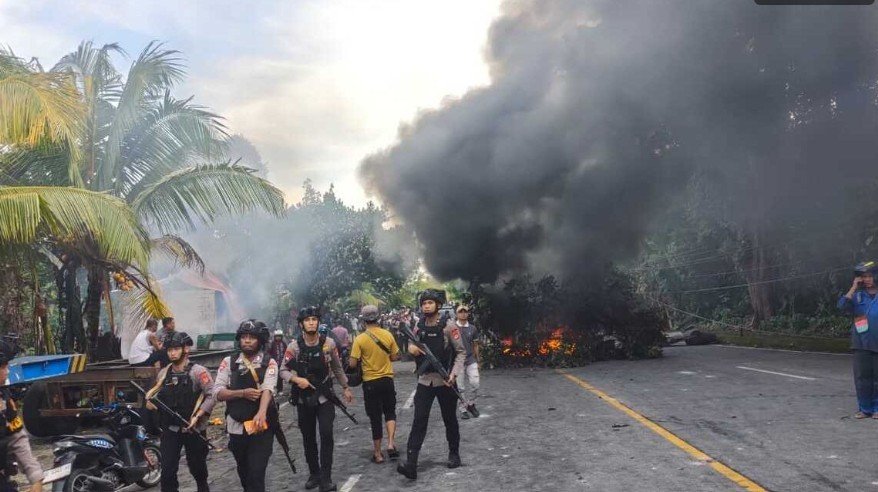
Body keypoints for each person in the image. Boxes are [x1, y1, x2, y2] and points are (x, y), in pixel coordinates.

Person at [281, 306, 353, 492]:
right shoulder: (293, 347)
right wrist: (297, 379)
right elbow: (283, 370)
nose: (311, 322)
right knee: (308, 438)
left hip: (325, 397)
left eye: (314, 319)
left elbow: (337, 367)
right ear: (301, 324)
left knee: (326, 434)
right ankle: (314, 474)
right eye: (308, 320)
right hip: (304, 399)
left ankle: (326, 478)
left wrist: (345, 387)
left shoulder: (328, 343)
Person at [397, 289, 466, 480]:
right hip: (424, 381)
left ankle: (454, 454)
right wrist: (412, 349)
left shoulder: (449, 326)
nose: (426, 306)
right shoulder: (418, 326)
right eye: (424, 303)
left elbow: (461, 353)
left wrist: (453, 374)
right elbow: (413, 346)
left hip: (445, 381)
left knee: (449, 419)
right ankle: (411, 464)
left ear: (437, 305)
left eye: (430, 303)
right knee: (419, 421)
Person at [146, 332, 215, 492]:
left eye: (176, 349)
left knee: (198, 469)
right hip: (171, 430)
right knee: (168, 473)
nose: (172, 353)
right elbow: (153, 398)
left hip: (194, 429)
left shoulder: (198, 371)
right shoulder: (164, 373)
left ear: (185, 349)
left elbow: (212, 394)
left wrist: (197, 417)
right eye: (169, 349)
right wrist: (151, 403)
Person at [215, 320, 278, 492]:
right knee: (244, 472)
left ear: (260, 340)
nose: (247, 341)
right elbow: (218, 392)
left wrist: (262, 412)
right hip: (236, 426)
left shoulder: (269, 363)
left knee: (256, 473)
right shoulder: (229, 362)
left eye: (252, 337)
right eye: (244, 337)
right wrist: (242, 393)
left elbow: (268, 389)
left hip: (261, 427)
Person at [349, 305, 400, 464]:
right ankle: (391, 444)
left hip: (370, 382)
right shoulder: (388, 335)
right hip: (387, 380)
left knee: (375, 418)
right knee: (390, 412)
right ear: (378, 318)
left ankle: (378, 454)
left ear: (363, 320)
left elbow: (352, 364)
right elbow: (394, 357)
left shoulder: (360, 339)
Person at [0, 340, 42, 492]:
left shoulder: (4, 401)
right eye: (4, 367)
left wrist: (35, 476)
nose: (8, 371)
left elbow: (17, 438)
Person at [838, 261, 878, 418]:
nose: (867, 279)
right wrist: (853, 287)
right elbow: (842, 307)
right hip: (861, 343)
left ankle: (876, 408)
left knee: (877, 377)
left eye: (869, 276)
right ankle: (864, 408)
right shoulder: (858, 296)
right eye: (863, 277)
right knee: (862, 378)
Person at [454, 305, 481, 419]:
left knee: (475, 384)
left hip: (471, 359)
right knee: (460, 388)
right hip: (458, 361)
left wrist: (478, 360)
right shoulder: (452, 328)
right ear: (457, 314)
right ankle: (463, 409)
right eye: (461, 312)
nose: (463, 314)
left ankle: (471, 404)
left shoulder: (472, 328)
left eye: (465, 311)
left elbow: (475, 345)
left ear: (468, 313)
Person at [268, 330, 288, 394]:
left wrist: (286, 361)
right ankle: (274, 389)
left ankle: (280, 390)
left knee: (280, 377)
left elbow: (286, 352)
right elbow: (269, 352)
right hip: (274, 363)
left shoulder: (284, 344)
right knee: (273, 376)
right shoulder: (272, 344)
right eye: (277, 336)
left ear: (281, 337)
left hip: (282, 363)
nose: (278, 338)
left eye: (279, 336)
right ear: (275, 337)